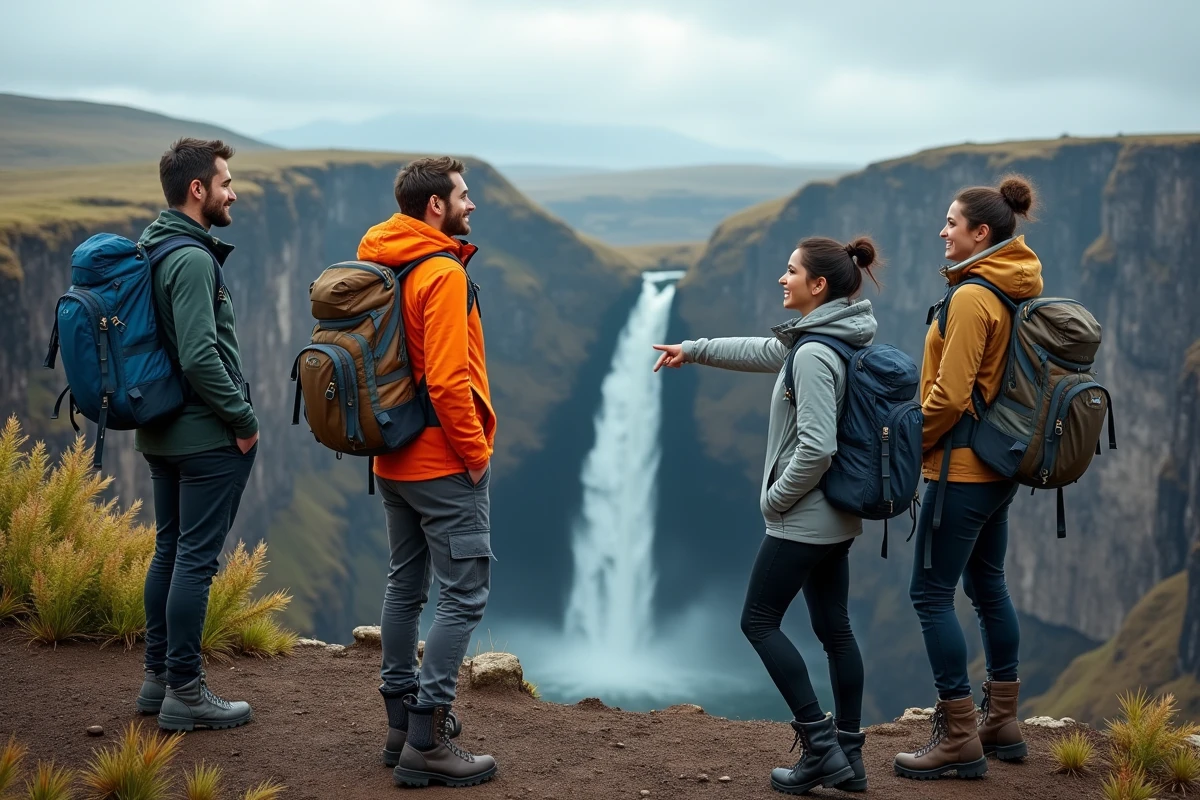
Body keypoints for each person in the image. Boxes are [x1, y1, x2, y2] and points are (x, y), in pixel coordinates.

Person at [653, 237, 882, 794]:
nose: (783, 278)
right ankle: (849, 757)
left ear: (817, 285)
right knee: (835, 630)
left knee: (757, 621)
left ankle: (820, 746)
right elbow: (761, 351)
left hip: (803, 519)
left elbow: (817, 446)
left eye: (791, 270)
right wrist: (694, 349)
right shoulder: (832, 338)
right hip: (837, 518)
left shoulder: (813, 353)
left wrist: (775, 498)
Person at [893, 176, 1042, 780]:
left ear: (981, 233)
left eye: (951, 223)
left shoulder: (974, 296)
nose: (943, 231)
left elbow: (950, 395)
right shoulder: (1010, 284)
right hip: (998, 467)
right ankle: (1001, 721)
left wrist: (908, 446)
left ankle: (958, 736)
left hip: (960, 470)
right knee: (988, 588)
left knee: (930, 596)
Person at [356, 156, 498, 788]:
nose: (472, 204)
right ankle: (428, 739)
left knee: (405, 586)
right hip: (442, 459)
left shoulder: (385, 259)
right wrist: (476, 454)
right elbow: (446, 379)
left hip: (392, 455)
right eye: (464, 195)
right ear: (435, 206)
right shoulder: (440, 271)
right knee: (464, 595)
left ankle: (398, 727)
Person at [134, 138, 258, 731]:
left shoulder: (152, 245)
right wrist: (243, 420)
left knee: (169, 551)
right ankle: (185, 689)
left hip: (163, 430)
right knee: (194, 561)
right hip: (204, 437)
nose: (233, 193)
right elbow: (199, 355)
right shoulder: (191, 259)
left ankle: (157, 680)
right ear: (197, 189)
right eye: (226, 183)